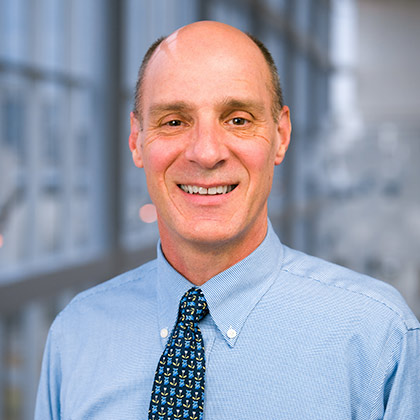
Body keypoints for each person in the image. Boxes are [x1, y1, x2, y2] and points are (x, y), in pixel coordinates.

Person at [35, 21, 419, 419]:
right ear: (137, 139)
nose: (205, 152)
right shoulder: (76, 333)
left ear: (281, 135)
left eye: (238, 119)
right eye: (174, 121)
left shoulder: (379, 339)